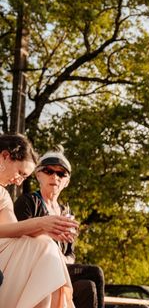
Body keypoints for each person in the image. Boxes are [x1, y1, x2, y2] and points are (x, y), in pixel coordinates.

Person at [14, 149, 105, 308]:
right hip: (35, 269)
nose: (54, 177)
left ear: (67, 181)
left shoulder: (67, 212)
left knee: (87, 287)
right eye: (48, 171)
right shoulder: (28, 202)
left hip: (61, 270)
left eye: (61, 174)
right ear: (38, 175)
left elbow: (70, 252)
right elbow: (19, 237)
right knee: (96, 273)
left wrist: (66, 260)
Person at [0, 132, 79, 308]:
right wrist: (40, 223)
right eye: (20, 173)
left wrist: (45, 229)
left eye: (24, 177)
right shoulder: (29, 201)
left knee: (45, 244)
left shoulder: (4, 196)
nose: (19, 182)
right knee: (44, 247)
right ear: (5, 157)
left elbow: (12, 230)